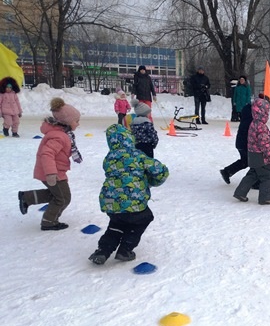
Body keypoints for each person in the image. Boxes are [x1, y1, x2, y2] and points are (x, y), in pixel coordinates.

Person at [88, 124, 169, 265]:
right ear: (129, 139)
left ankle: (103, 251)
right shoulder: (137, 155)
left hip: (110, 202)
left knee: (116, 224)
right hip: (133, 201)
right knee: (143, 218)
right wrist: (153, 181)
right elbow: (159, 170)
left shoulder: (109, 157)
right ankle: (125, 250)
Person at [18, 98, 82, 230]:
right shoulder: (59, 136)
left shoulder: (64, 134)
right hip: (53, 173)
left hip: (55, 171)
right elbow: (47, 154)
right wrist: (51, 173)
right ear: (67, 122)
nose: (78, 124)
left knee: (58, 195)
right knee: (63, 198)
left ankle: (27, 197)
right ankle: (49, 222)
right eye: (76, 121)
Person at [220, 93, 270, 185]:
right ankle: (246, 180)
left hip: (245, 141)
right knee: (252, 162)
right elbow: (257, 131)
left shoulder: (251, 111)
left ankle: (229, 172)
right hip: (245, 142)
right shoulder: (252, 114)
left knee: (248, 161)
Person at [233, 97, 270, 204]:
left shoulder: (253, 123)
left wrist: (269, 140)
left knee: (253, 174)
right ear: (263, 113)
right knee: (268, 175)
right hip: (260, 156)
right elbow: (263, 145)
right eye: (267, 112)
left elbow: (258, 139)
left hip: (251, 154)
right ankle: (265, 198)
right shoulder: (262, 126)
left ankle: (240, 192)